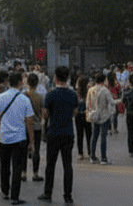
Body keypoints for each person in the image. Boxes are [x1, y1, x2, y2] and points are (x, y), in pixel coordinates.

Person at [0, 71, 36, 205]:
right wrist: (32, 141)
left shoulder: (0, 98)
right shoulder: (25, 99)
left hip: (4, 138)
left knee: (4, 165)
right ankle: (15, 196)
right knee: (17, 167)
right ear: (19, 83)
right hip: (20, 139)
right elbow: (30, 122)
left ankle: (5, 190)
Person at [39, 66, 77, 204]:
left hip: (53, 133)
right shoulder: (73, 94)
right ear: (67, 78)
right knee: (68, 165)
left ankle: (47, 193)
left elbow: (45, 114)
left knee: (51, 164)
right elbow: (75, 111)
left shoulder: (51, 95)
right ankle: (68, 196)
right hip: (68, 132)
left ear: (55, 77)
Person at [23, 72, 45, 181]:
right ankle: (35, 173)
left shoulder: (23, 96)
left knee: (24, 149)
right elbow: (44, 113)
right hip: (36, 127)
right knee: (36, 150)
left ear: (27, 83)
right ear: (37, 83)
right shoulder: (40, 97)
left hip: (24, 127)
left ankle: (23, 173)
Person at [74, 76, 91, 161]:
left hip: (78, 117)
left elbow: (74, 106)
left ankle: (80, 153)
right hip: (88, 116)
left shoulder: (77, 94)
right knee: (89, 135)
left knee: (79, 135)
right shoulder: (89, 93)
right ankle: (90, 152)